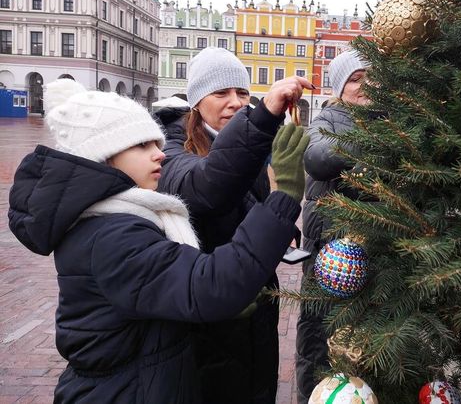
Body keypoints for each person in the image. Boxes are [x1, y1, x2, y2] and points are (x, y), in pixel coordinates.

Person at [8, 79, 309, 404]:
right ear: (105, 156)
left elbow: (164, 296)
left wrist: (216, 314)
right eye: (142, 146)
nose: (159, 154)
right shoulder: (113, 235)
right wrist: (285, 195)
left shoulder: (119, 216)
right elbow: (208, 287)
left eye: (157, 143)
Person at [155, 46, 314, 403]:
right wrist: (262, 121)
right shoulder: (169, 147)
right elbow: (206, 188)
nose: (235, 102)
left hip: (256, 306)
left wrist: (282, 232)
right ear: (196, 100)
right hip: (209, 316)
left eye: (242, 92)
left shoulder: (249, 146)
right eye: (221, 93)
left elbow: (248, 211)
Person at [295, 49, 371, 404]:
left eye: (372, 75)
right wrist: (378, 140)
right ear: (340, 88)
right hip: (329, 248)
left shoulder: (388, 117)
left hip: (370, 245)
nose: (366, 84)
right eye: (355, 79)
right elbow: (319, 157)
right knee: (319, 333)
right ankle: (311, 395)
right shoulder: (329, 118)